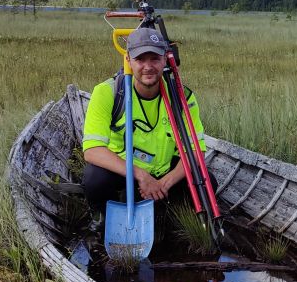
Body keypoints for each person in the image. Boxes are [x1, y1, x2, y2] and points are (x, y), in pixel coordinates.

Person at [81, 27, 209, 218]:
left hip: (166, 171)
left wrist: (164, 183)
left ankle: (176, 220)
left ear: (165, 60)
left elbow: (197, 151)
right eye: (140, 59)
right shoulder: (107, 92)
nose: (148, 66)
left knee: (206, 183)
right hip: (124, 170)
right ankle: (100, 221)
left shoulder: (183, 97)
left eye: (155, 59)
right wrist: (141, 175)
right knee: (94, 179)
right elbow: (92, 150)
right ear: (128, 61)